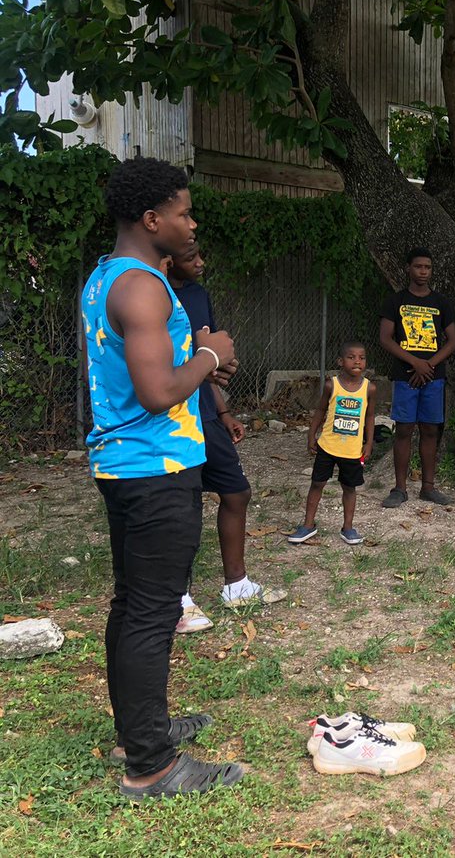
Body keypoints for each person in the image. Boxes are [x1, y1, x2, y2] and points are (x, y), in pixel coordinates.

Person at [83, 155, 244, 798]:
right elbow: (155, 393)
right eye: (184, 212)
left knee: (133, 605)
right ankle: (151, 765)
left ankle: (139, 731)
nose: (192, 223)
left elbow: (148, 372)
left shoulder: (109, 276)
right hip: (156, 467)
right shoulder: (143, 286)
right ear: (152, 219)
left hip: (127, 465)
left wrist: (198, 361)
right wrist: (208, 354)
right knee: (152, 613)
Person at [163, 245, 285, 634]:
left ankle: (237, 586)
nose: (201, 262)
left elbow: (208, 364)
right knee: (184, 506)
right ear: (168, 257)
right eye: (192, 257)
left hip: (204, 413)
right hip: (171, 417)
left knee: (236, 492)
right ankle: (177, 600)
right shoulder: (153, 295)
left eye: (201, 254)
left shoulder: (198, 295)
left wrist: (223, 411)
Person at [379, 248, 455, 507]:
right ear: (408, 268)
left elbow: (453, 340)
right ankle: (400, 488)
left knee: (430, 429)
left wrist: (428, 365)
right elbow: (385, 338)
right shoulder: (396, 301)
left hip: (433, 377)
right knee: (403, 429)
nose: (423, 272)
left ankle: (428, 487)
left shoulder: (441, 302)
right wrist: (415, 363)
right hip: (405, 376)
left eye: (427, 267)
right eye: (418, 266)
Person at [289, 342, 377, 545]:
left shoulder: (369, 388)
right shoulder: (332, 385)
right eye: (351, 357)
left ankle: (348, 528)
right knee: (317, 483)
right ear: (340, 361)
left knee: (349, 487)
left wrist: (369, 443)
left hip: (352, 450)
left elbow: (370, 416)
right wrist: (311, 435)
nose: (357, 361)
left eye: (362, 358)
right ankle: (308, 525)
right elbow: (320, 410)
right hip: (328, 445)